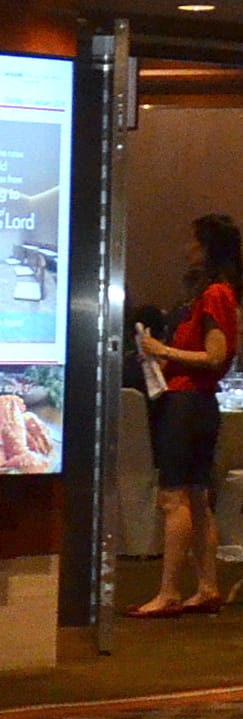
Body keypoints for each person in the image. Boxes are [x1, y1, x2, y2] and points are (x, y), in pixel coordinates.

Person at [128, 212, 240, 617]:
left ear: (206, 246)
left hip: (187, 403)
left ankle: (169, 592)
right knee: (196, 497)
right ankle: (207, 586)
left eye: (193, 241)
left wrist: (163, 351)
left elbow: (215, 355)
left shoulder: (214, 295)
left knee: (174, 498)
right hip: (198, 404)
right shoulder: (219, 294)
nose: (186, 248)